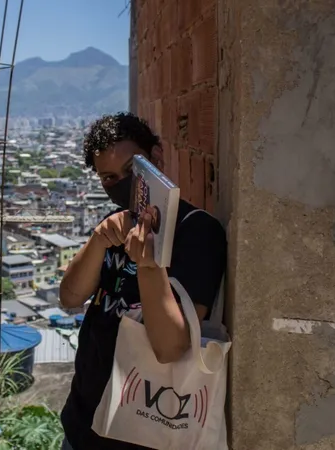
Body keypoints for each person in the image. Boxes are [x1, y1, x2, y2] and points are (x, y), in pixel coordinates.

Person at [59, 113, 227, 450]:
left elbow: (170, 348)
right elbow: (71, 296)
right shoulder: (116, 224)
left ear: (157, 156)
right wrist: (98, 239)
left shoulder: (195, 232)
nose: (122, 183)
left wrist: (149, 266)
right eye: (109, 177)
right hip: (84, 421)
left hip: (141, 431)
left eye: (131, 170)